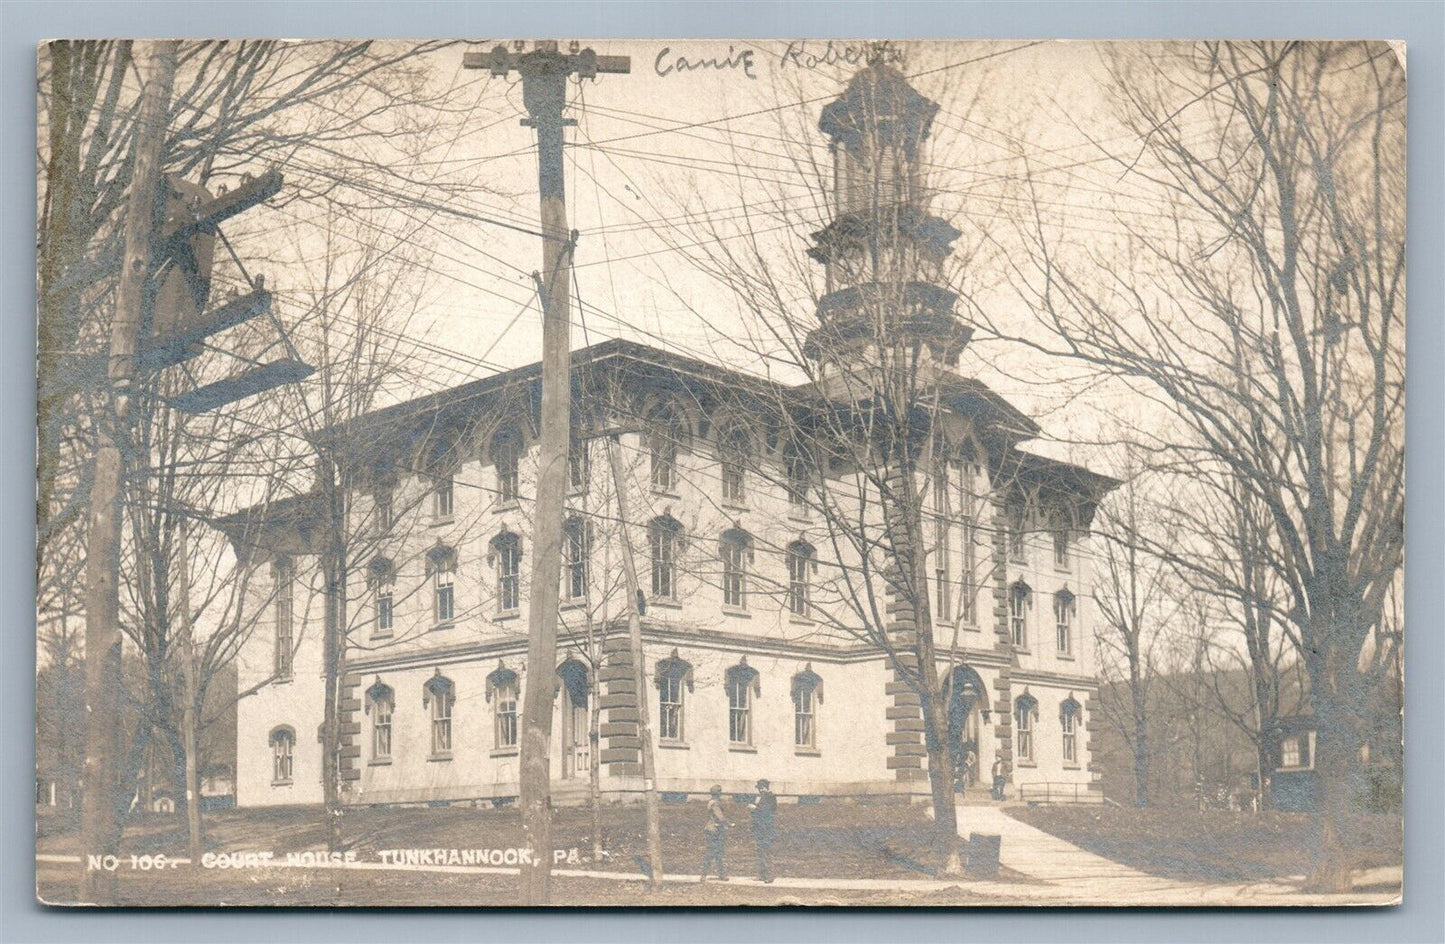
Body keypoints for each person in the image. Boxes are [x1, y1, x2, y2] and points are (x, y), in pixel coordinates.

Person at [747, 779, 778, 883]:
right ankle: (763, 875)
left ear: (763, 788)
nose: (759, 791)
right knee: (762, 851)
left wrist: (754, 808)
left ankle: (769, 875)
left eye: (760, 788)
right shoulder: (769, 797)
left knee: (765, 851)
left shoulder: (768, 797)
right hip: (764, 828)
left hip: (765, 829)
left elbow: (765, 811)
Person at [700, 785, 732, 882]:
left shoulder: (712, 802)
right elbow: (720, 817)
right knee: (712, 853)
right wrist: (728, 823)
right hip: (714, 830)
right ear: (718, 793)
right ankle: (705, 875)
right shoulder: (715, 804)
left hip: (713, 829)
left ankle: (719, 874)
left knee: (716, 853)